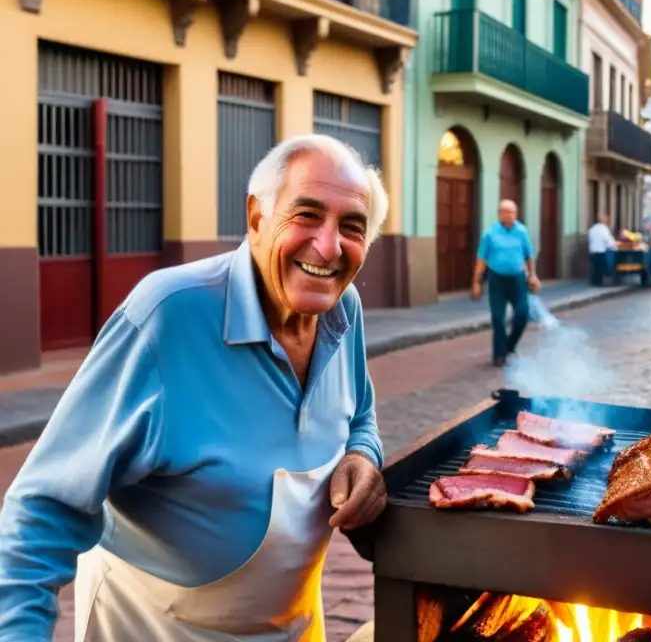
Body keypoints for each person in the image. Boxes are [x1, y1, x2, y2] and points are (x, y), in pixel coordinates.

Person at [0, 135, 387, 640]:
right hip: (155, 627)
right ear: (256, 216)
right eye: (307, 215)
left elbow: (360, 413)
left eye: (351, 227)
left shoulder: (344, 309)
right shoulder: (167, 315)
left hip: (290, 624)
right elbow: (40, 512)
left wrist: (362, 453)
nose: (329, 246)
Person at [472, 200, 541, 366]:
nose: (509, 215)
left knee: (522, 315)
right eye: (505, 212)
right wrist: (476, 282)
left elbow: (529, 256)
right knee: (498, 319)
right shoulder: (490, 234)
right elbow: (481, 259)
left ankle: (509, 347)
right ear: (499, 214)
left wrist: (533, 275)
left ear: (516, 214)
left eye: (512, 212)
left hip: (518, 279)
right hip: (497, 280)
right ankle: (499, 356)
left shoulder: (522, 232)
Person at [587, 214, 617, 286]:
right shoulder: (604, 229)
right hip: (601, 251)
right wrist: (614, 245)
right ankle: (599, 282)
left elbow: (589, 238)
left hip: (593, 251)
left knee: (594, 267)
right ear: (605, 222)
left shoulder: (592, 229)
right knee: (600, 267)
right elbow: (608, 240)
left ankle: (594, 281)